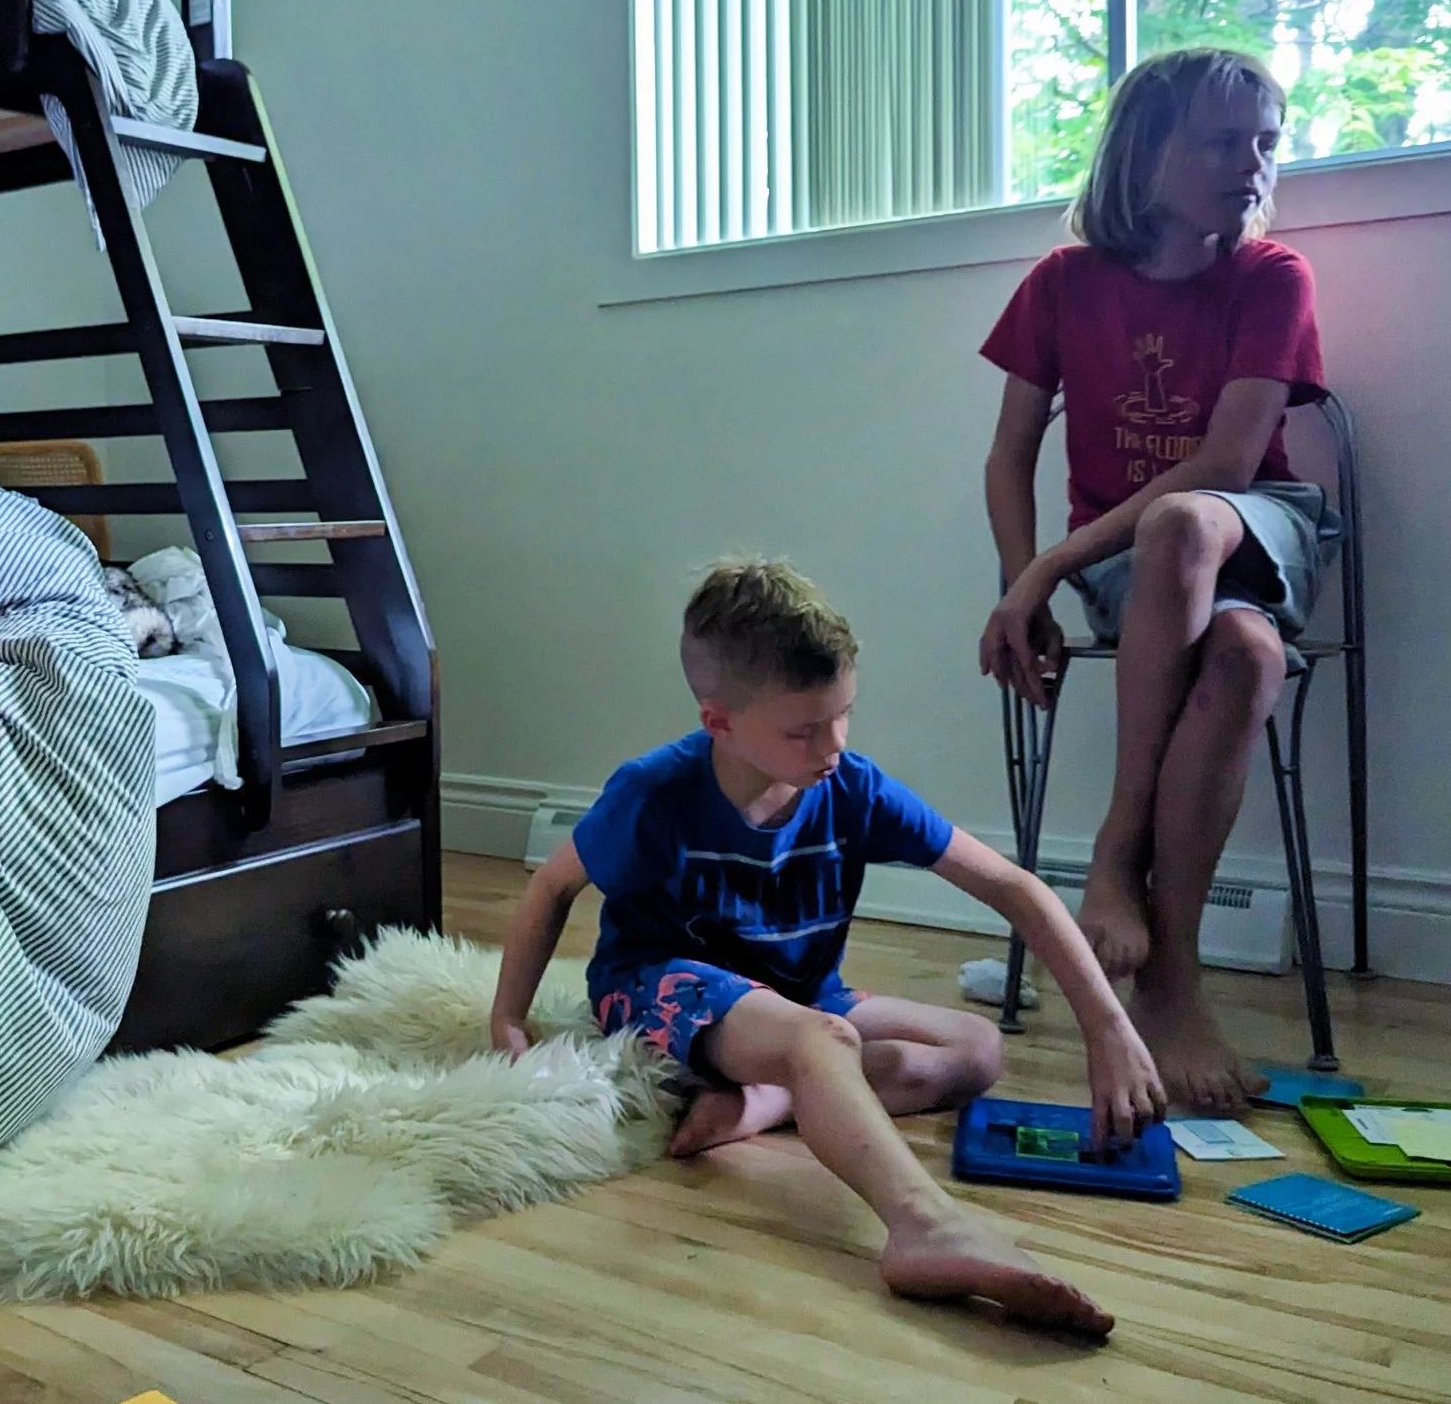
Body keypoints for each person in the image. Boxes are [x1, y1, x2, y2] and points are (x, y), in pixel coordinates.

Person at [489, 561, 1164, 1338]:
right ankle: (926, 1225)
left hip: (798, 998)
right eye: (803, 729)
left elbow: (1015, 887)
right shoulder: (653, 794)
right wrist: (507, 1016)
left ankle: (771, 1099)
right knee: (822, 1038)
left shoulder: (851, 787)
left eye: (843, 715)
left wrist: (1108, 1027)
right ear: (719, 721)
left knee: (976, 1049)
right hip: (655, 987)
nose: (833, 744)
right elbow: (552, 887)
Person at [978, 47, 1335, 1115]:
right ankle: (1174, 979)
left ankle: (1116, 849)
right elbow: (1008, 454)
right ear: (1146, 152)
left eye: (1265, 141)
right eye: (1223, 142)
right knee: (1247, 653)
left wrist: (1043, 570)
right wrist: (1025, 588)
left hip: (1257, 526)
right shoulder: (1062, 282)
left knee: (1186, 519)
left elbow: (1228, 464)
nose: (1252, 163)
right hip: (1130, 564)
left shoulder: (1272, 275)